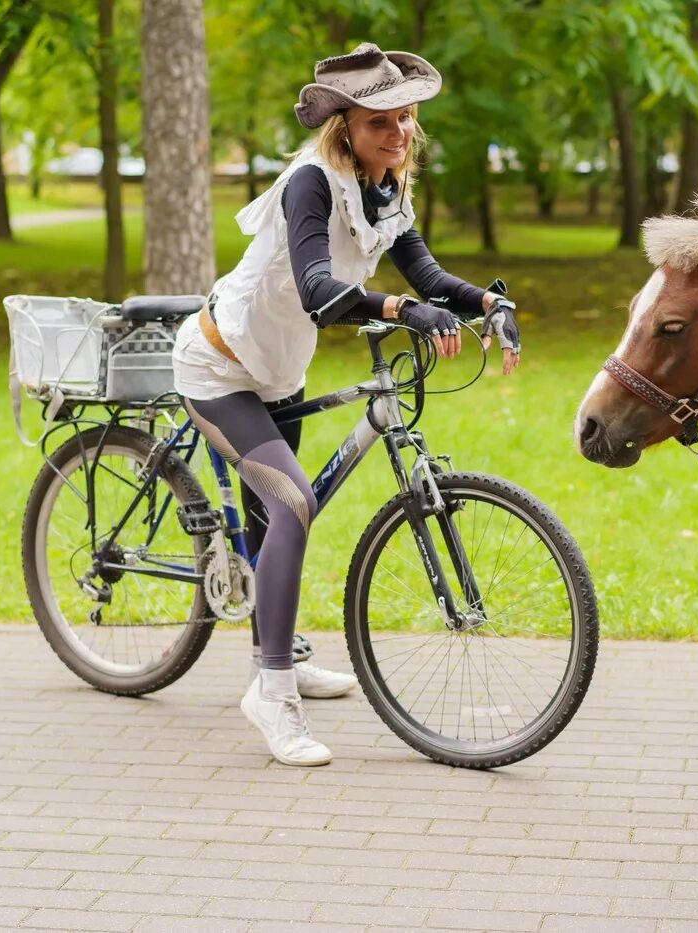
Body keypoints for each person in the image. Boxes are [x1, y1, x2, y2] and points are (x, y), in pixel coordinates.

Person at [170, 42, 521, 766]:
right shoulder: (311, 182)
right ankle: (271, 693)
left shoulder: (387, 187)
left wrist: (488, 301)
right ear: (345, 128)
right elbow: (318, 290)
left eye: (407, 120)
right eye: (380, 122)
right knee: (294, 502)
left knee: (275, 519)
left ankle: (280, 652)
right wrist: (403, 309)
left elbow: (422, 268)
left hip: (278, 373)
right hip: (220, 365)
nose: (398, 135)